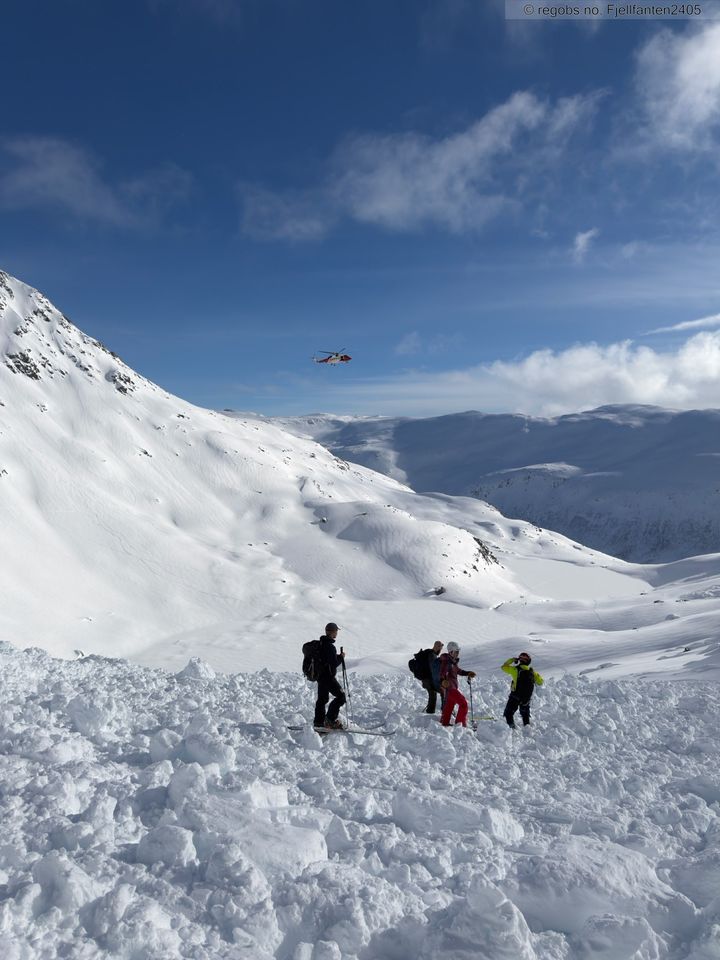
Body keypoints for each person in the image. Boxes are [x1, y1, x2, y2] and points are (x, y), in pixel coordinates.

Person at [313, 622, 346, 729]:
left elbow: (325, 658)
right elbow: (333, 663)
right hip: (328, 677)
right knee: (341, 697)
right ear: (332, 632)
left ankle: (318, 723)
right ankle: (330, 720)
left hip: (320, 677)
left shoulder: (321, 644)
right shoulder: (330, 646)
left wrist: (336, 656)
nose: (337, 633)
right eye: (336, 631)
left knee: (322, 700)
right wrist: (340, 658)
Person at [501, 651, 544, 729]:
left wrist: (512, 660)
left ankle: (511, 729)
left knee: (508, 713)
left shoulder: (515, 669)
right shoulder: (532, 672)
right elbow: (541, 682)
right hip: (526, 698)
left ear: (519, 660)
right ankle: (527, 729)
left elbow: (503, 667)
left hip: (515, 696)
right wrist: (535, 675)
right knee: (525, 715)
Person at [439, 641, 476, 727]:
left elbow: (459, 671)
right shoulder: (447, 662)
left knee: (449, 707)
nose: (458, 653)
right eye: (456, 651)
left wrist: (468, 673)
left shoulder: (452, 662)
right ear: (451, 651)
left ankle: (444, 723)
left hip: (451, 689)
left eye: (458, 651)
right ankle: (460, 725)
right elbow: (442, 673)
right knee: (463, 704)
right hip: (450, 689)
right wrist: (442, 681)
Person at [413, 641, 444, 713]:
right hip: (428, 679)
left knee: (433, 694)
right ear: (437, 647)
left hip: (426, 679)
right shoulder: (432, 655)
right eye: (440, 648)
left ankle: (430, 711)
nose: (441, 650)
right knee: (443, 691)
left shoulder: (429, 653)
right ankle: (444, 711)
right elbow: (433, 669)